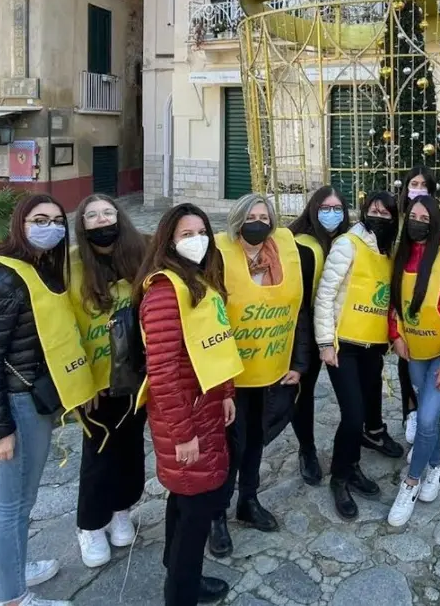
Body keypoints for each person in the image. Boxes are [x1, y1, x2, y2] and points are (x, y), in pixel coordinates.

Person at [0, 193, 92, 606]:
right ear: (21, 224)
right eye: (39, 219)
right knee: (17, 501)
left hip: (32, 400)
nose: (49, 227)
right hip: (18, 407)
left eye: (56, 219)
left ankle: (2, 570)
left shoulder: (34, 271)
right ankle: (13, 597)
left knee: (6, 497)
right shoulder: (1, 280)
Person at [136, 203, 241, 606]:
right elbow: (161, 370)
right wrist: (183, 433)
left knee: (186, 497)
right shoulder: (165, 290)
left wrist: (227, 392)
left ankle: (177, 569)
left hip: (207, 406)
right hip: (185, 417)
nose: (196, 240)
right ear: (168, 241)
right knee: (196, 508)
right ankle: (181, 592)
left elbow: (215, 342)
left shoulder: (197, 280)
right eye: (185, 234)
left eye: (202, 231)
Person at [206, 193, 315, 558]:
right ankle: (216, 513)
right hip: (231, 373)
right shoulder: (218, 257)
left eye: (264, 215)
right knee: (228, 445)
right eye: (251, 216)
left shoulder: (282, 254)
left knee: (255, 439)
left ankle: (248, 500)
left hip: (269, 366)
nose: (258, 222)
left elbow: (297, 309)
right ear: (238, 220)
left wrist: (298, 362)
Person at [69, 194, 148, 569]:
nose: (102, 221)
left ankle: (121, 509)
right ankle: (90, 524)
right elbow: (63, 331)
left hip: (135, 377)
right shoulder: (71, 268)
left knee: (131, 447)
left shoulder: (139, 257)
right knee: (99, 453)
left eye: (108, 213)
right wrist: (79, 384)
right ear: (82, 225)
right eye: (92, 216)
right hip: (96, 382)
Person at [386, 195, 440, 527]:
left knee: (425, 418)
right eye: (413, 216)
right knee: (427, 416)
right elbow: (394, 301)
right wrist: (395, 334)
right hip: (415, 352)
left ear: (435, 222)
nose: (417, 221)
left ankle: (411, 481)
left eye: (425, 217)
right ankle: (436, 468)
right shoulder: (402, 256)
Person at [314, 191, 400, 519]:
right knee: (352, 417)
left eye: (386, 212)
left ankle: (352, 467)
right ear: (364, 211)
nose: (379, 215)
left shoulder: (388, 250)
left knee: (364, 413)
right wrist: (325, 342)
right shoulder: (348, 244)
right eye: (373, 210)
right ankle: (339, 478)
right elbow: (325, 295)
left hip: (372, 346)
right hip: (344, 345)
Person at [395, 167, 440, 445]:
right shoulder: (397, 218)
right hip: (410, 328)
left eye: (422, 185)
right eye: (412, 184)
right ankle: (413, 413)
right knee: (411, 378)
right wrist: (396, 333)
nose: (417, 189)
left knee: (430, 407)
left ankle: (425, 459)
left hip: (439, 325)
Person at [287, 185, 346, 486]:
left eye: (337, 208)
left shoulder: (348, 241)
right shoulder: (298, 243)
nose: (332, 213)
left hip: (344, 327)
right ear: (313, 208)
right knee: (304, 391)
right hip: (306, 327)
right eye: (326, 208)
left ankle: (364, 432)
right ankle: (306, 448)